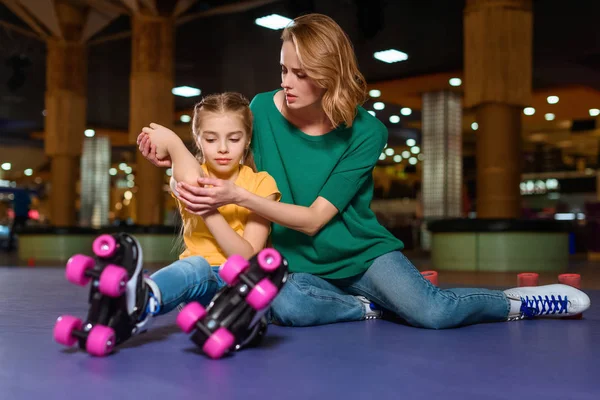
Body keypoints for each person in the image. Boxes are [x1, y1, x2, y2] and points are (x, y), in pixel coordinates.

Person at [140, 14, 590, 328]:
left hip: (360, 253)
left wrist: (236, 198)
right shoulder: (261, 109)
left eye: (301, 73)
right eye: (283, 69)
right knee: (285, 309)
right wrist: (176, 152)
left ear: (329, 72)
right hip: (294, 263)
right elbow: (224, 150)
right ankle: (364, 307)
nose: (287, 83)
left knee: (432, 314)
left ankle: (518, 302)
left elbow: (316, 219)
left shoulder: (366, 131)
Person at [133, 92, 280, 327]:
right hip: (196, 286)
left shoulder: (262, 183)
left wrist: (171, 142)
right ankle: (139, 300)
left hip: (238, 286)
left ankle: (141, 297)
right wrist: (176, 148)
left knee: (203, 267)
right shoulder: (186, 175)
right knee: (197, 266)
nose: (223, 149)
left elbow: (247, 258)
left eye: (234, 139)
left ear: (248, 138)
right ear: (198, 138)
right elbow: (192, 181)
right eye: (211, 139)